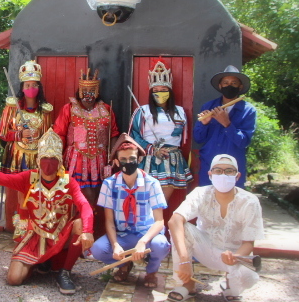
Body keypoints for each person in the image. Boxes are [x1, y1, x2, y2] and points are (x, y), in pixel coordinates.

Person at [0, 128, 94, 295]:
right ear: (38, 159)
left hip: (60, 234)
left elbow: (84, 206)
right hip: (35, 235)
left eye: (52, 159)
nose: (48, 163)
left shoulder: (68, 182)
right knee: (14, 279)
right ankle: (38, 263)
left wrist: (88, 231)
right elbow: (3, 179)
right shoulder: (28, 178)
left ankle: (65, 272)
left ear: (59, 160)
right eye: (45, 158)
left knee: (79, 224)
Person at [167, 154, 264, 302]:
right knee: (181, 227)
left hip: (233, 255)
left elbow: (248, 243)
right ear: (210, 175)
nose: (223, 174)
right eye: (218, 170)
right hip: (204, 247)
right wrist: (185, 259)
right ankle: (187, 284)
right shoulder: (201, 193)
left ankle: (230, 285)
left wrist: (235, 257)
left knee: (248, 277)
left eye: (229, 171)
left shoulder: (250, 201)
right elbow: (174, 221)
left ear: (237, 176)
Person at [90, 133, 170, 288]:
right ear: (116, 161)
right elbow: (109, 220)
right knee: (98, 250)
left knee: (161, 245)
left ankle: (152, 271)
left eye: (132, 159)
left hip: (146, 233)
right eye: (124, 160)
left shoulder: (151, 183)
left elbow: (159, 221)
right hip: (123, 234)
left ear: (139, 159)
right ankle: (124, 265)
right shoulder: (109, 184)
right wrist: (115, 245)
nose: (128, 163)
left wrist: (143, 241)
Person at [0, 60, 53, 231]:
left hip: (36, 157)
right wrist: (19, 134)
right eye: (27, 85)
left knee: (34, 192)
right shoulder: (12, 107)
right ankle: (13, 227)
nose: (31, 88)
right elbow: (2, 133)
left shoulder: (46, 110)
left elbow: (48, 135)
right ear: (22, 87)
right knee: (14, 191)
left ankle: (32, 224)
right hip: (16, 156)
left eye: (34, 85)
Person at [129, 59, 193, 203]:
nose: (160, 93)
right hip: (149, 158)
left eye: (163, 90)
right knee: (144, 201)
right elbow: (134, 136)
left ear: (169, 91)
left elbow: (181, 138)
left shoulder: (180, 112)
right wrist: (152, 149)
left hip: (172, 159)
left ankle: (158, 225)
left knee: (162, 202)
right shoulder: (142, 111)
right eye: (156, 91)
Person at [53, 69, 119, 207]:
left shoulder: (106, 109)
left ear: (97, 92)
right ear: (79, 91)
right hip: (75, 159)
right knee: (75, 193)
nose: (88, 95)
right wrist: (57, 158)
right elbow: (59, 134)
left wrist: (112, 157)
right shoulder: (69, 108)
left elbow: (113, 134)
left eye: (92, 91)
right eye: (85, 91)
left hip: (100, 160)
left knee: (97, 195)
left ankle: (91, 223)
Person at [193, 65, 256, 188]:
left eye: (234, 83)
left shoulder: (248, 110)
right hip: (209, 164)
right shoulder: (208, 106)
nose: (229, 86)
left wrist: (227, 124)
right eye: (225, 83)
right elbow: (198, 138)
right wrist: (204, 124)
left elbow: (244, 142)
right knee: (207, 201)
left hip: (233, 166)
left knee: (233, 203)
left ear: (240, 86)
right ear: (220, 86)